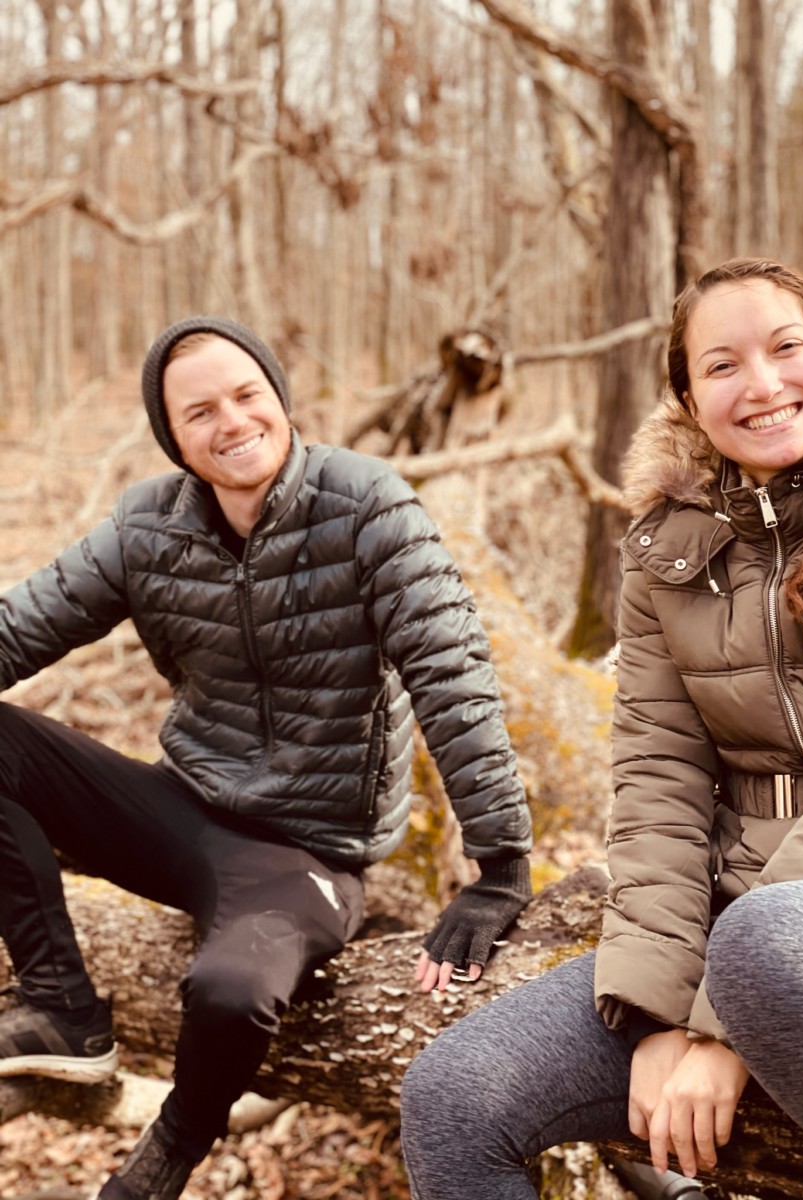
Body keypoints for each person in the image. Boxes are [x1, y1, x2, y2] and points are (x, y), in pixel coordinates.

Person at [400, 257, 803, 1200]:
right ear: (687, 395)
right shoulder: (667, 550)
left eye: (786, 348)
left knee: (771, 941)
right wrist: (657, 1013)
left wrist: (720, 1030)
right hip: (728, 936)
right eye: (721, 365)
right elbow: (659, 794)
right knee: (455, 1097)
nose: (761, 385)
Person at [0, 316, 533, 1199]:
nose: (232, 421)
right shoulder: (147, 527)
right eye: (199, 410)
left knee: (228, 990)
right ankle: (60, 1006)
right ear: (173, 435)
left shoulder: (367, 505)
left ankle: (169, 1153)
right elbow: (19, 627)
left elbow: (450, 670)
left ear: (279, 399)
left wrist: (501, 861)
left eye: (248, 395)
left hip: (308, 854)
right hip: (180, 809)